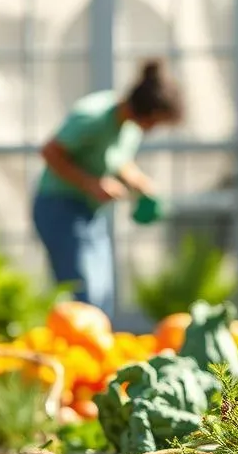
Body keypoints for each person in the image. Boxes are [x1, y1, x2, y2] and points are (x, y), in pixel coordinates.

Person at [33, 60, 183, 317]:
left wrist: (139, 182)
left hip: (90, 212)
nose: (155, 129)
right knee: (83, 295)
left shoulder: (130, 128)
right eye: (155, 122)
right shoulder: (93, 117)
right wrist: (91, 184)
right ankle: (77, 353)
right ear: (145, 111)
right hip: (59, 208)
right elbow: (50, 152)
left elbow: (117, 160)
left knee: (102, 293)